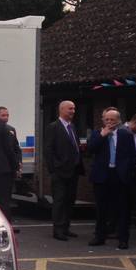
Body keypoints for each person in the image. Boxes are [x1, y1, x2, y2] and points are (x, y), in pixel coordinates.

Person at [87, 108, 136, 249]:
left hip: (119, 175)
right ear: (103, 121)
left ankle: (123, 238)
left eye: (112, 120)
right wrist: (102, 136)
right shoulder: (98, 133)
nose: (109, 122)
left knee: (122, 209)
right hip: (102, 175)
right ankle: (100, 236)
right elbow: (90, 149)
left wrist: (127, 171)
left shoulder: (126, 134)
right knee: (101, 208)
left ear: (118, 121)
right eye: (107, 120)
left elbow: (132, 156)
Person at [43, 100, 84, 241]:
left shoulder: (72, 126)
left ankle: (66, 227)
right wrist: (53, 169)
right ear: (61, 110)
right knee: (59, 201)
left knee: (69, 200)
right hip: (60, 172)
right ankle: (58, 230)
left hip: (73, 171)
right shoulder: (53, 127)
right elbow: (48, 150)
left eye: (74, 108)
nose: (73, 111)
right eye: (70, 109)